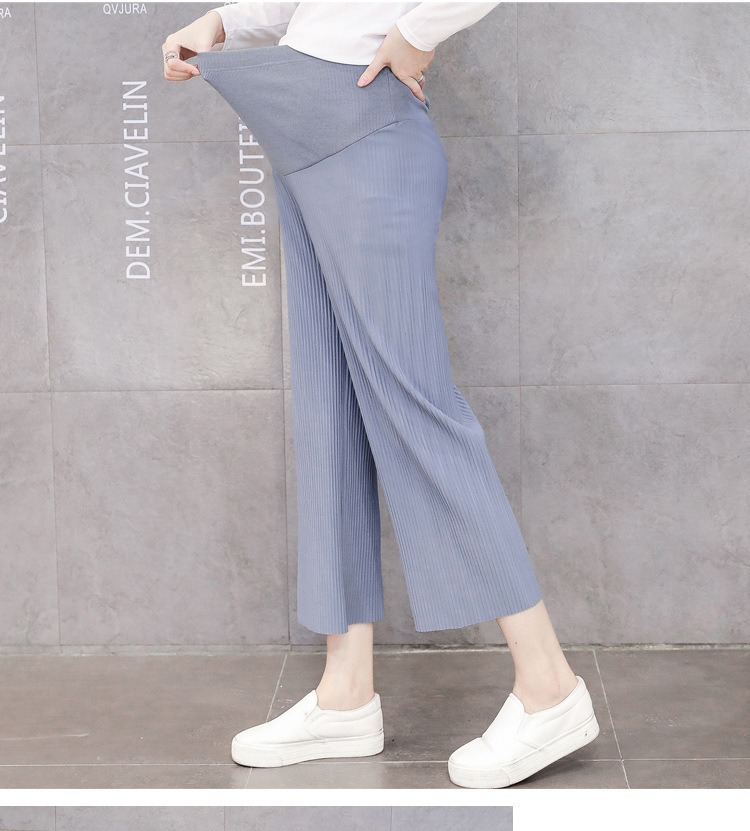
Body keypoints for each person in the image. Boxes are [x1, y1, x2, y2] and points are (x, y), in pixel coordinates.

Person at [161, 2, 600, 789]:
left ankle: (550, 686)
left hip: (364, 134)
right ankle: (345, 691)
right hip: (305, 141)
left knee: (417, 412)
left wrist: (415, 34)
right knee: (329, 409)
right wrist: (223, 24)